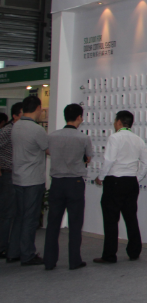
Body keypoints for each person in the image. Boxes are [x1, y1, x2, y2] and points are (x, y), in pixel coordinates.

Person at [93, 110, 147, 264]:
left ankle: (110, 255)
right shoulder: (138, 139)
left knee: (111, 219)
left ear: (118, 122)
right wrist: (136, 178)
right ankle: (134, 251)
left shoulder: (115, 137)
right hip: (131, 182)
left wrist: (100, 177)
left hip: (114, 181)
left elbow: (109, 160)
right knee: (131, 217)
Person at [43, 104, 92, 271]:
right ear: (79, 117)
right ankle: (74, 260)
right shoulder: (83, 138)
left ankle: (49, 261)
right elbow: (88, 157)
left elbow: (48, 152)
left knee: (53, 223)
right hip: (75, 183)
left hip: (57, 182)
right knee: (75, 223)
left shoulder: (52, 136)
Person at [8, 96, 47, 266]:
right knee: (30, 218)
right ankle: (28, 254)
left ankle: (13, 252)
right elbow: (48, 149)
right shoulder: (37, 129)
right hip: (32, 179)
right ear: (38, 108)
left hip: (17, 178)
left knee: (19, 217)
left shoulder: (16, 126)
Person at [0, 102, 22, 259]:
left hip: (19, 175)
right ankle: (2, 247)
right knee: (7, 213)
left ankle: (12, 247)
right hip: (8, 175)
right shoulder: (7, 131)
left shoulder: (21, 131)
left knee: (15, 213)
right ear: (14, 116)